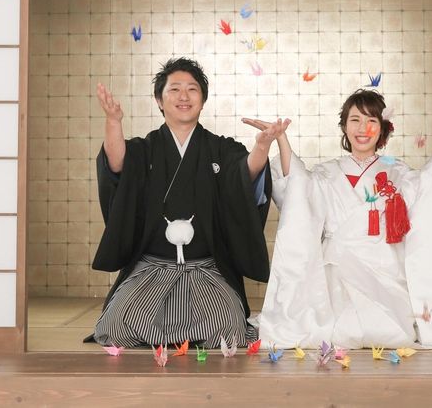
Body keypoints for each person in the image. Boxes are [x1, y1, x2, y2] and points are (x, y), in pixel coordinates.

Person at [243, 89, 432, 350]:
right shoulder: (327, 172)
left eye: (371, 121)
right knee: (338, 328)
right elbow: (298, 187)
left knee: (391, 332)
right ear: (344, 126)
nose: (363, 128)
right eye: (355, 120)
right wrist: (281, 139)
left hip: (385, 266)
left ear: (382, 128)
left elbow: (427, 189)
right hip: (336, 268)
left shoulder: (397, 171)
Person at [91, 57, 288, 348]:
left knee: (227, 327)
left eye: (192, 89)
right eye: (174, 89)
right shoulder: (144, 150)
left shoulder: (222, 148)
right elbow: (118, 164)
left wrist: (261, 146)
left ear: (203, 100)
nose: (184, 96)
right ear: (159, 101)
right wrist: (113, 122)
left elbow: (244, 174)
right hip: (151, 269)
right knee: (117, 327)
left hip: (208, 270)